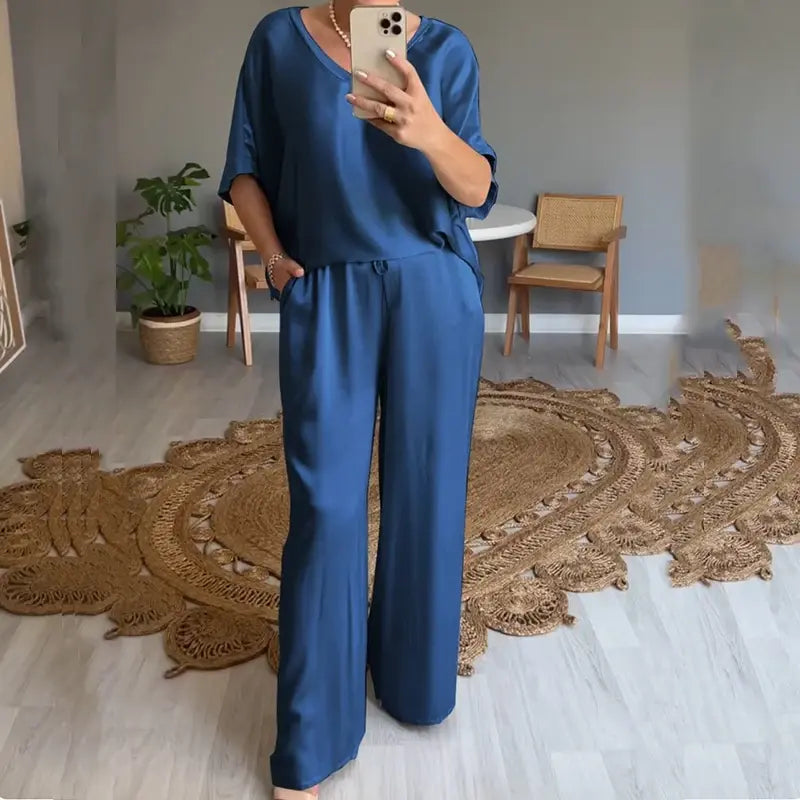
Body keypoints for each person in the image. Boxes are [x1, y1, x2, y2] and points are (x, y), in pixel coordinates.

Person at [219, 1, 497, 797]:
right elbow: (245, 167)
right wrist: (275, 261)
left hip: (432, 286)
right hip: (327, 288)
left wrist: (428, 132)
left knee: (427, 495)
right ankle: (313, 739)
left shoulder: (446, 50)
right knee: (326, 508)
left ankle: (413, 684)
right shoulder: (279, 41)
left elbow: (477, 186)